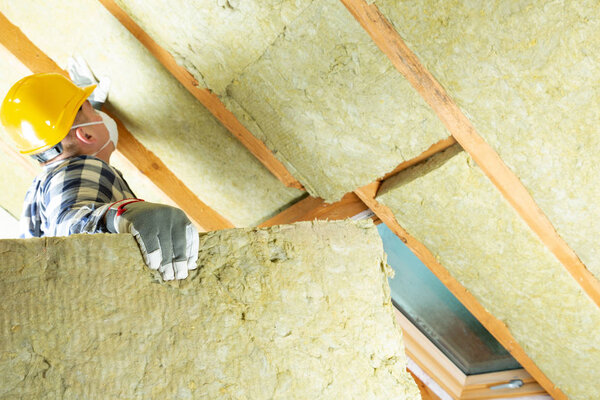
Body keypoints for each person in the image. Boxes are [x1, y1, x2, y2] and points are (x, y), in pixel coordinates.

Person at [0, 65, 198, 281]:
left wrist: (87, 110)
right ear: (85, 134)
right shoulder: (82, 168)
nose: (99, 115)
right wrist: (119, 214)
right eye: (92, 111)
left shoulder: (41, 185)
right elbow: (68, 226)